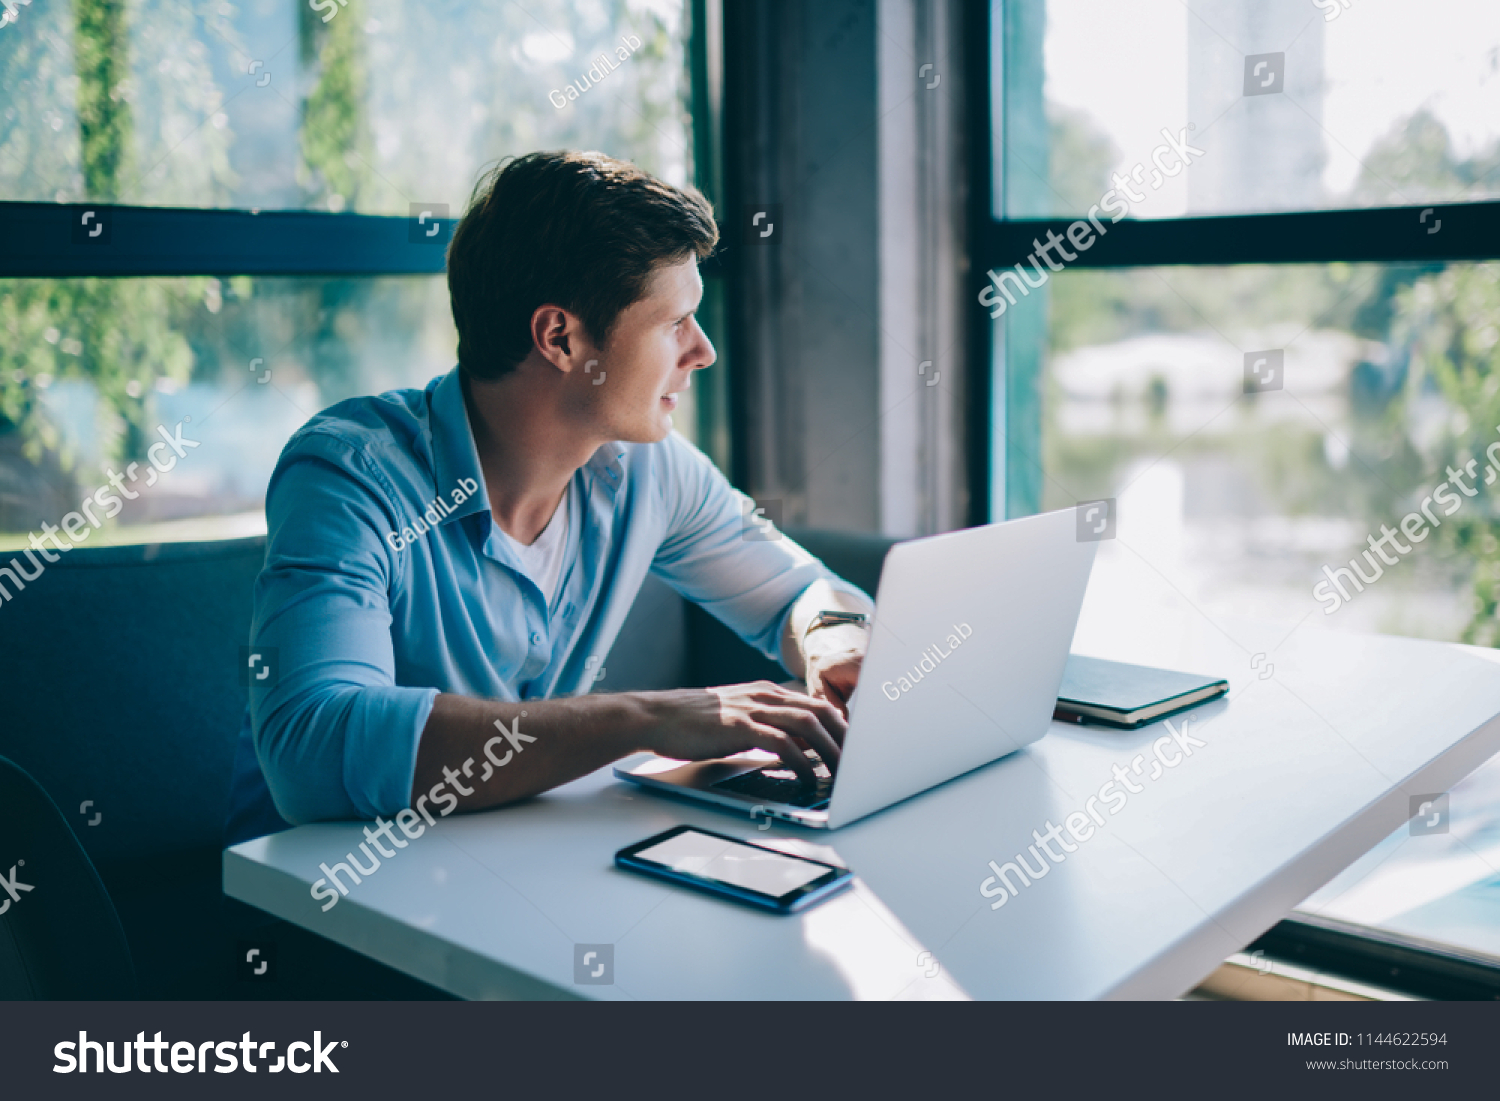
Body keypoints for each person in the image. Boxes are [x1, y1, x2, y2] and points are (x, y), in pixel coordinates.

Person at [225, 151, 873, 839]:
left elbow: (803, 592)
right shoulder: (351, 475)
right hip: (319, 904)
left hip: (504, 867)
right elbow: (312, 751)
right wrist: (646, 719)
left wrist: (831, 644)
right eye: (673, 322)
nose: (703, 349)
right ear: (561, 337)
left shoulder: (649, 470)